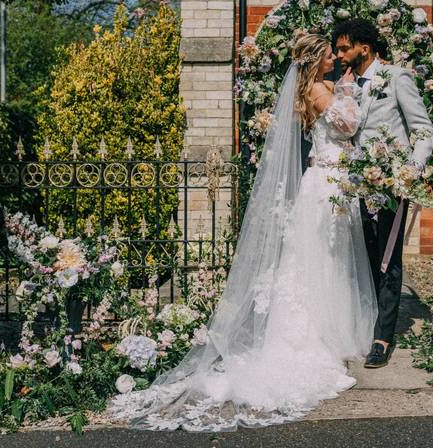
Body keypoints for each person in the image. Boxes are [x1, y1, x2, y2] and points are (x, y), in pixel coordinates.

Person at [108, 33, 376, 431]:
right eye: (327, 55)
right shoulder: (322, 90)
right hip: (328, 184)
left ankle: (324, 336)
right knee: (326, 260)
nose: (333, 60)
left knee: (317, 260)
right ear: (316, 59)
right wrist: (351, 91)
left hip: (323, 181)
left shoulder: (313, 89)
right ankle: (318, 342)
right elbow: (350, 125)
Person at [332, 18, 433, 369]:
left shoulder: (396, 78)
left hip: (392, 184)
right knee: (365, 259)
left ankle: (382, 338)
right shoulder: (346, 84)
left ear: (365, 47)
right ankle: (363, 327)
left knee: (388, 262)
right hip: (356, 185)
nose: (339, 54)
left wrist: (410, 172)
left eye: (345, 48)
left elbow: (423, 130)